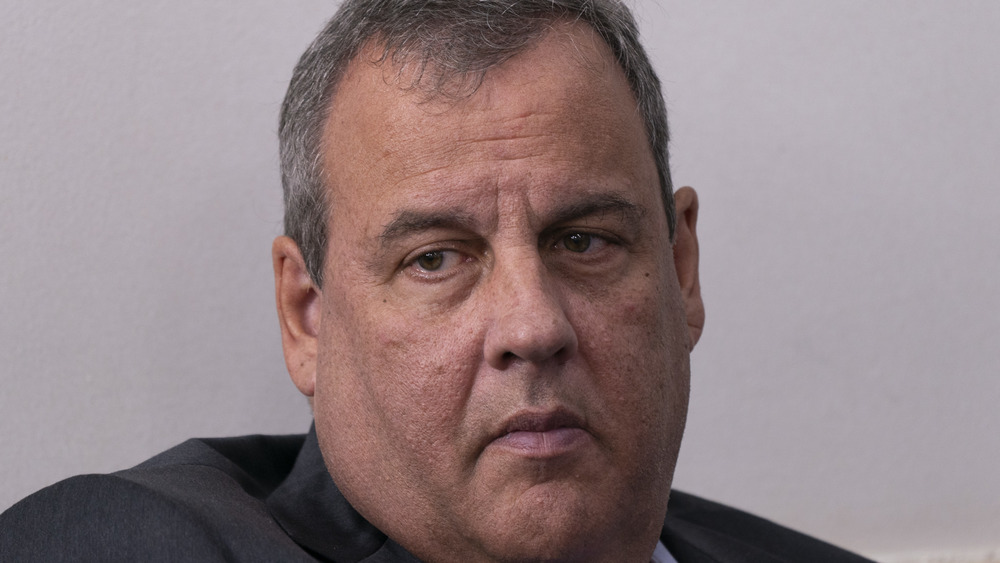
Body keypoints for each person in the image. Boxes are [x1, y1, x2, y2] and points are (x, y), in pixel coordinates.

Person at [0, 1, 872, 561]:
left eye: (583, 239)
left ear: (681, 270)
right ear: (309, 317)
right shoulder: (132, 545)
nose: (532, 326)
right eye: (436, 258)